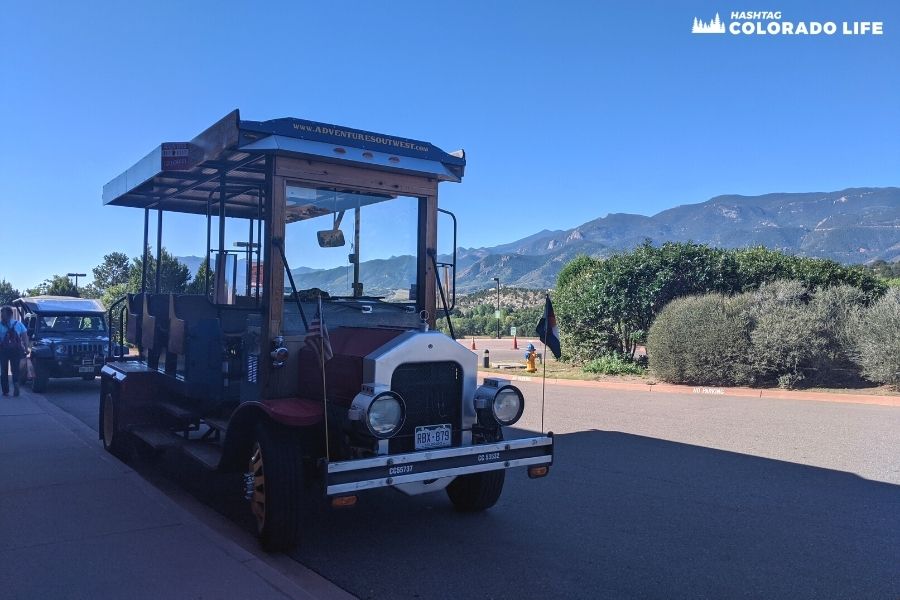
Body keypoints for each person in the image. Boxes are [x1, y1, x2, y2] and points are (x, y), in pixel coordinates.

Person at [0, 306, 28, 397]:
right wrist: (26, 348)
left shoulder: (0, 325)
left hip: (3, 350)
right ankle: (16, 383)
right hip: (16, 350)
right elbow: (25, 337)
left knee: (3, 370)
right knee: (15, 369)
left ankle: (5, 391)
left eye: (2, 314)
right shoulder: (18, 324)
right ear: (12, 314)